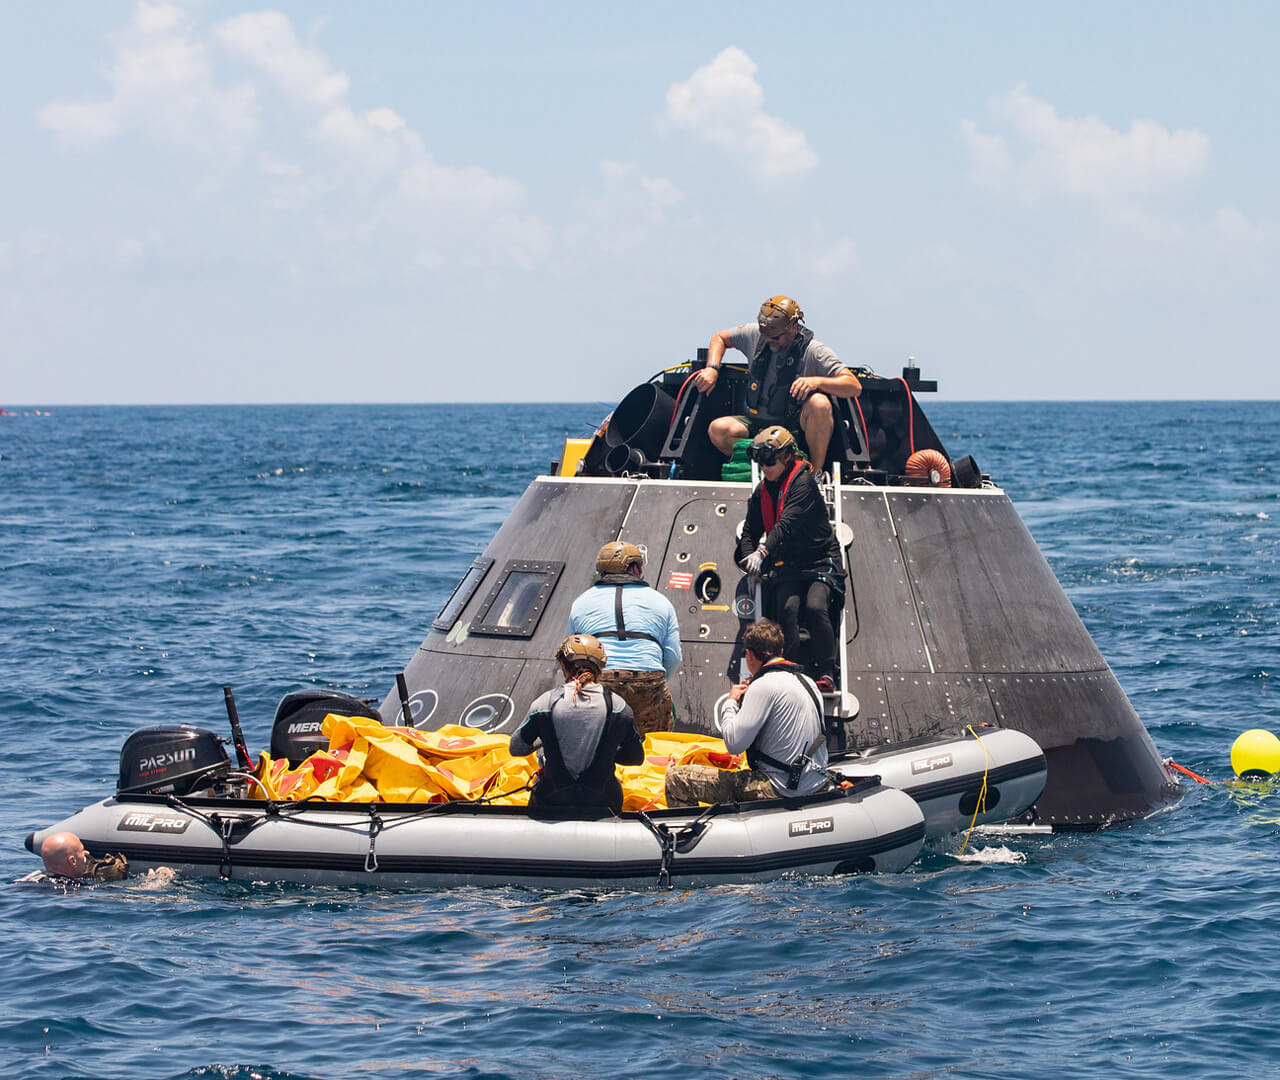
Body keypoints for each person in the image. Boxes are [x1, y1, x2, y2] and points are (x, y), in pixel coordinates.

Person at [665, 619, 829, 806]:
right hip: (816, 782)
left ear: (749, 655)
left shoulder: (762, 685)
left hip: (780, 788)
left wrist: (731, 702)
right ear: (780, 651)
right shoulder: (808, 682)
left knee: (676, 778)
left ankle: (690, 835)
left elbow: (734, 745)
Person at [691, 295, 861, 473]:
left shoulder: (815, 351)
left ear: (793, 328)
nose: (770, 341)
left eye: (776, 337)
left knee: (820, 403)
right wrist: (712, 368)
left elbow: (853, 386)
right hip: (756, 422)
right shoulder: (755, 335)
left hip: (792, 427)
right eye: (766, 336)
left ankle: (813, 474)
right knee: (718, 429)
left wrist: (816, 381)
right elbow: (719, 338)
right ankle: (765, 462)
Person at [738, 425, 844, 691]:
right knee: (787, 609)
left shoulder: (803, 484)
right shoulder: (762, 491)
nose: (764, 467)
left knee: (815, 607)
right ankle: (791, 669)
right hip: (789, 564)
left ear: (787, 457)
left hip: (820, 560)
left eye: (770, 459)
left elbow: (785, 524)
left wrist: (762, 552)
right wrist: (746, 557)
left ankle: (827, 670)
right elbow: (750, 530)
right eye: (759, 460)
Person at [510, 634, 646, 813]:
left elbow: (517, 748)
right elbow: (635, 758)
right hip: (603, 801)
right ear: (599, 669)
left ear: (564, 667)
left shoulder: (544, 704)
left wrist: (545, 741)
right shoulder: (619, 707)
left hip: (552, 799)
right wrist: (608, 752)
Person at [567, 541, 682, 734]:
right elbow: (673, 657)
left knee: (598, 741)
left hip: (599, 682)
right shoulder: (661, 602)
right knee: (653, 747)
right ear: (635, 568)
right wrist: (658, 684)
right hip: (648, 682)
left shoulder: (580, 603)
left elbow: (572, 654)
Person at [38, 832, 129, 882]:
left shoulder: (33, 879)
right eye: (81, 851)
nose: (86, 853)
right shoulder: (73, 888)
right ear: (73, 861)